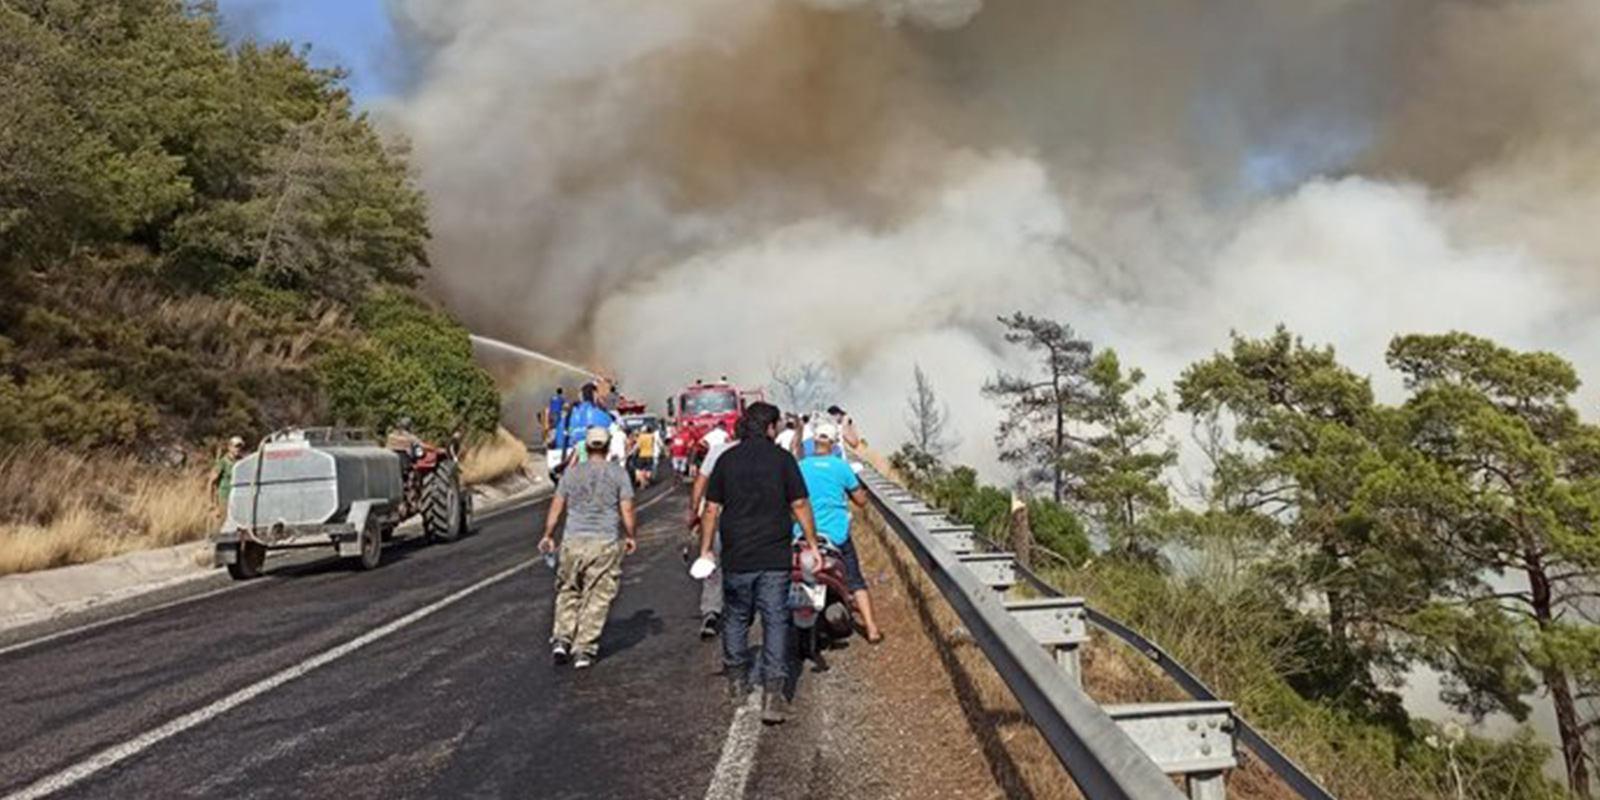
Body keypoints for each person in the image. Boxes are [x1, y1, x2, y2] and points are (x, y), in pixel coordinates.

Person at [699, 402, 820, 724]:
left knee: (736, 617)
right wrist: (812, 543)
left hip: (737, 554)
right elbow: (799, 503)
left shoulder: (727, 460)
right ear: (769, 427)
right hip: (774, 555)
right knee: (775, 619)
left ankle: (737, 682)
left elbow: (711, 508)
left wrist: (706, 549)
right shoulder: (783, 460)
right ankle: (773, 694)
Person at [539, 426, 638, 670]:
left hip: (573, 541)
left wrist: (548, 535)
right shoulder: (618, 474)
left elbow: (556, 507)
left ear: (586, 446)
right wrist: (630, 535)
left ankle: (562, 639)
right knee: (597, 597)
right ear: (607, 446)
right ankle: (584, 649)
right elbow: (627, 510)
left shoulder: (571, 474)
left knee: (568, 590)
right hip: (603, 543)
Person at [798, 422, 883, 643]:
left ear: (814, 441)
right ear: (834, 443)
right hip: (836, 535)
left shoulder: (800, 466)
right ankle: (872, 629)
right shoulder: (841, 467)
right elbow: (861, 500)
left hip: (802, 534)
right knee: (855, 580)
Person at [688, 427, 739, 638]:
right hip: (746, 519)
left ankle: (711, 611)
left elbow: (700, 482)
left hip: (716, 517)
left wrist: (693, 512)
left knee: (713, 563)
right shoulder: (756, 451)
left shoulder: (717, 451)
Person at [551, 383, 614, 479]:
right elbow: (612, 433)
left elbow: (559, 440)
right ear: (594, 394)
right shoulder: (602, 416)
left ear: (581, 396)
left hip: (571, 461)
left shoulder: (568, 416)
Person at [209, 436, 245, 505]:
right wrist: (211, 501)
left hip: (238, 498)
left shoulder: (242, 462)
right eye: (236, 446)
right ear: (230, 447)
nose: (238, 449)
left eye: (240, 447)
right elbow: (212, 482)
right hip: (225, 497)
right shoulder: (223, 462)